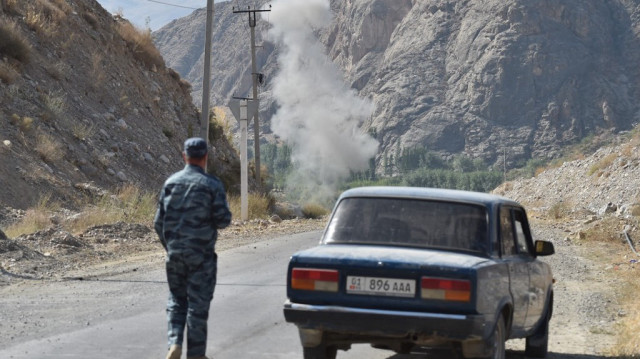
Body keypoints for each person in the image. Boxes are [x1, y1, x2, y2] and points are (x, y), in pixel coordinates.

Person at [154, 137, 232, 359]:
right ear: (205, 157)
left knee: (177, 300)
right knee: (197, 306)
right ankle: (196, 355)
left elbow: (158, 222)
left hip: (176, 254)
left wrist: (170, 247)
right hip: (202, 257)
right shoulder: (212, 185)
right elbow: (223, 220)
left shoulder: (170, 183)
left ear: (184, 156)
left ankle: (175, 341)